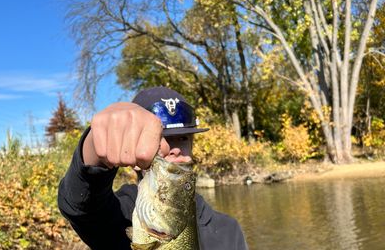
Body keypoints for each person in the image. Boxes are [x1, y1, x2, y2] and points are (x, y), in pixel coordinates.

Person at [58, 86, 248, 250]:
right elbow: (80, 206)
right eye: (161, 138)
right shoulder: (120, 215)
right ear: (131, 147)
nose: (173, 149)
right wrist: (96, 144)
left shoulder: (229, 230)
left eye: (183, 138)